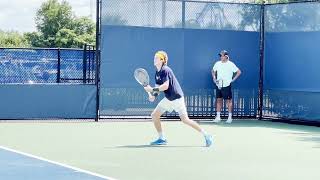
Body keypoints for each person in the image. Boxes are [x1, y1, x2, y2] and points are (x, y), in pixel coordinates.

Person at [144, 50, 213, 147]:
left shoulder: (165, 70)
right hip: (168, 99)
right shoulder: (157, 73)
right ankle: (162, 138)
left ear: (162, 60)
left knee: (185, 120)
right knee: (155, 115)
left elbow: (166, 86)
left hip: (177, 98)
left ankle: (206, 135)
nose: (154, 59)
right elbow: (157, 88)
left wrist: (152, 89)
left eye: (156, 57)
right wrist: (153, 96)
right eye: (154, 57)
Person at [212, 50, 241, 123]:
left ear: (226, 56)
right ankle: (218, 117)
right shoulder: (217, 63)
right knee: (218, 100)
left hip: (227, 85)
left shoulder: (230, 64)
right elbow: (212, 71)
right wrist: (214, 78)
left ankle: (230, 118)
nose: (221, 57)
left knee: (228, 101)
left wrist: (232, 80)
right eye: (220, 55)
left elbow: (239, 72)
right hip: (219, 85)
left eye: (222, 55)